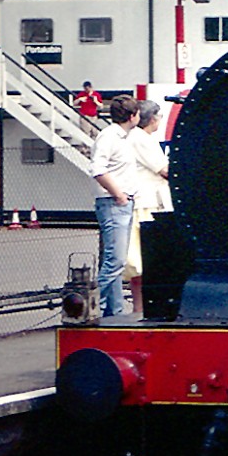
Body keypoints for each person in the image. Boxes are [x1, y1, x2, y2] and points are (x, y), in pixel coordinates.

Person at [89, 94, 140, 317]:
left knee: (116, 261)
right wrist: (118, 194)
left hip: (121, 201)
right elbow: (98, 169)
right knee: (115, 259)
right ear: (132, 116)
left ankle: (114, 312)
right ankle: (93, 306)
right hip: (114, 202)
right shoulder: (109, 137)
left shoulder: (122, 137)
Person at [124, 99, 171, 313]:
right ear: (152, 118)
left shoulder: (139, 138)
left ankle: (141, 306)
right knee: (143, 260)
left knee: (142, 262)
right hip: (147, 204)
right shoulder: (142, 140)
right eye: (159, 116)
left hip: (148, 201)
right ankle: (141, 308)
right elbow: (164, 170)